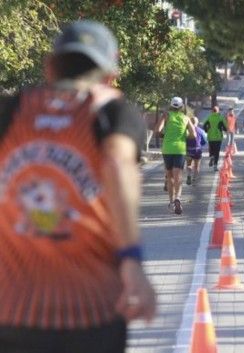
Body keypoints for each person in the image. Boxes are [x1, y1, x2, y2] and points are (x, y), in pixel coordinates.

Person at [0, 20, 156, 353]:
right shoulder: (113, 112)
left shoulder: (11, 111)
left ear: (50, 67)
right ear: (110, 73)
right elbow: (118, 165)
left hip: (13, 311)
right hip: (92, 313)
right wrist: (132, 260)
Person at [155, 97, 196, 215]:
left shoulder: (166, 115)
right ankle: (178, 197)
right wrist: (184, 136)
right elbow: (193, 134)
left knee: (169, 176)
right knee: (178, 176)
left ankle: (171, 202)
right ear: (182, 107)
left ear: (171, 106)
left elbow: (157, 130)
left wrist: (165, 135)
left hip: (167, 149)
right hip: (180, 149)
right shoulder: (186, 118)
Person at [203, 106, 227, 171]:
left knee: (211, 149)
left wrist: (207, 130)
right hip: (218, 137)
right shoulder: (221, 118)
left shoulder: (209, 117)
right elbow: (225, 127)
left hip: (210, 136)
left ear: (212, 111)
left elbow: (204, 125)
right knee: (217, 151)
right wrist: (223, 129)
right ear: (218, 111)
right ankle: (215, 166)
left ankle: (211, 156)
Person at [186, 116, 207, 185]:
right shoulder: (201, 131)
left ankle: (189, 175)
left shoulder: (187, 130)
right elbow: (204, 141)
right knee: (196, 166)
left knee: (189, 164)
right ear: (197, 123)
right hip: (197, 150)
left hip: (188, 150)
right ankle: (194, 179)